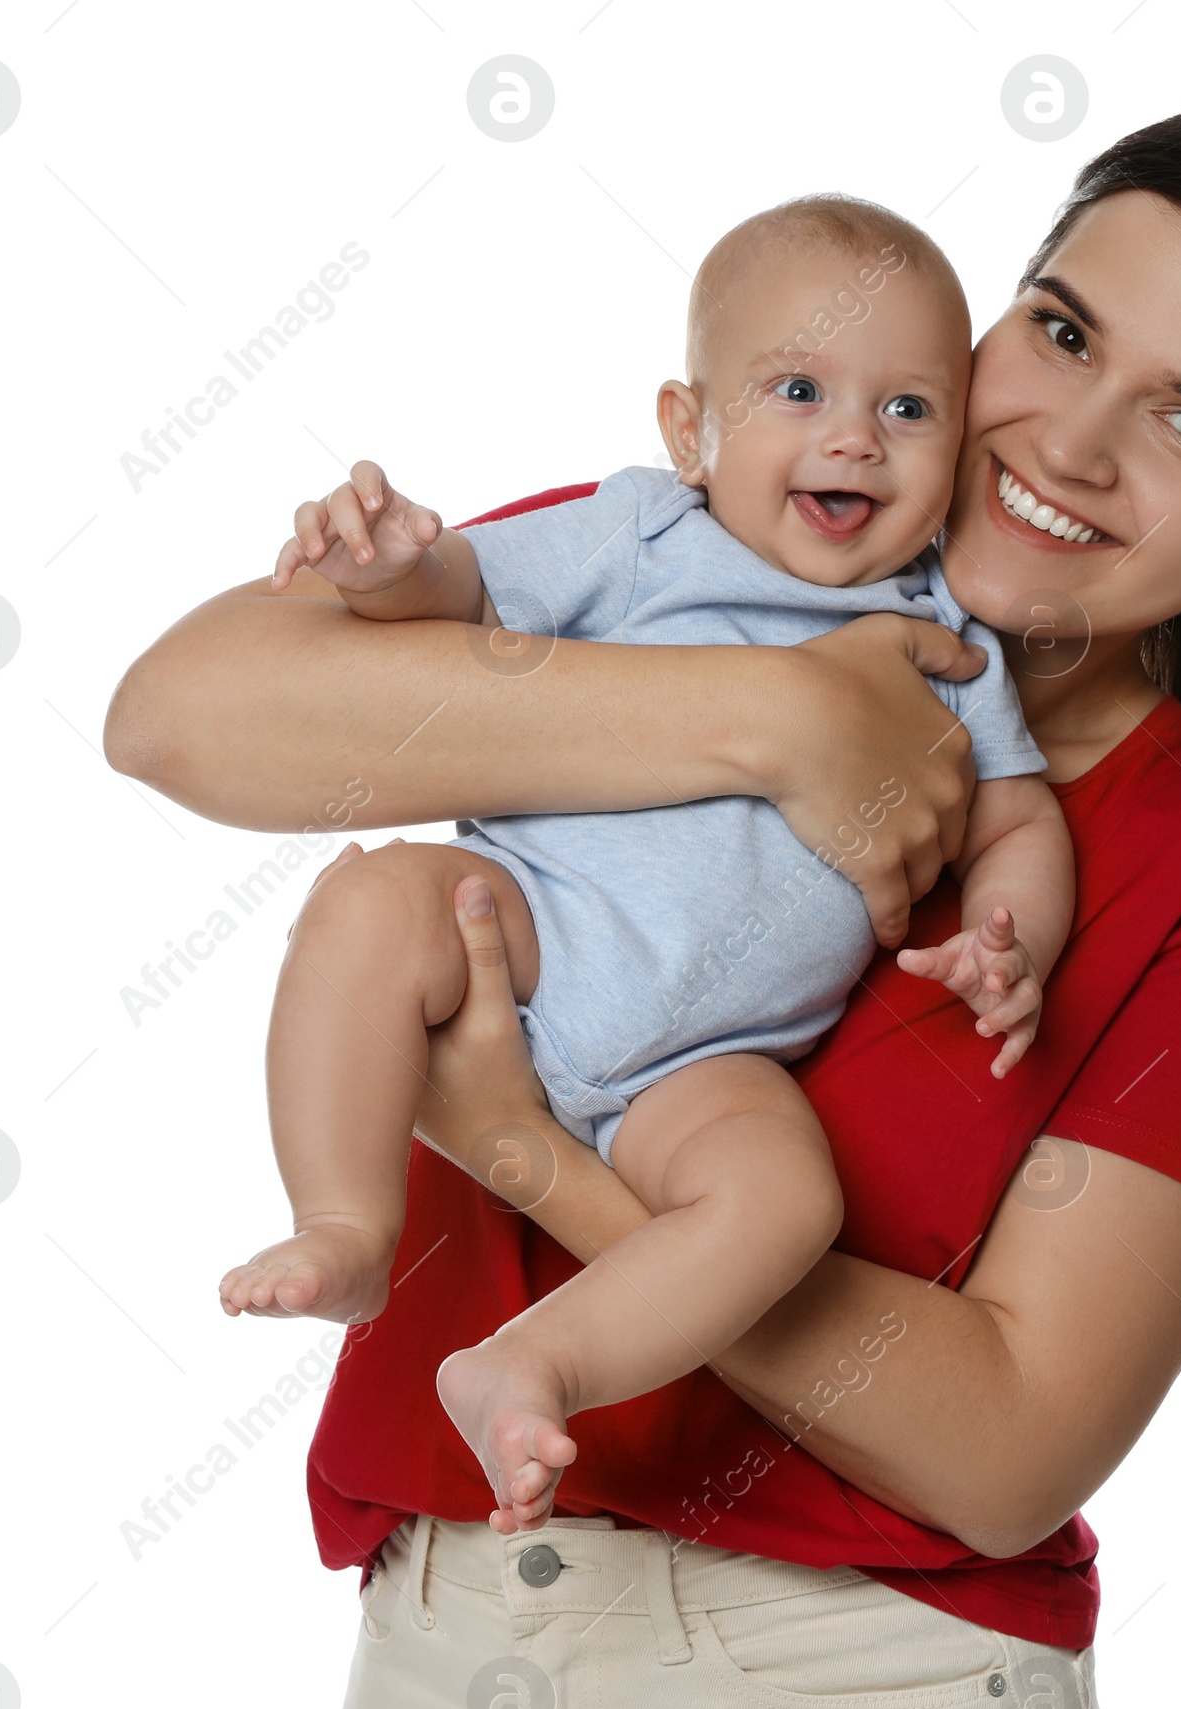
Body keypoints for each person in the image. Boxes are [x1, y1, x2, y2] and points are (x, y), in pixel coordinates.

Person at [106, 91, 1181, 1709]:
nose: (1067, 445)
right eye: (1059, 333)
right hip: (452, 1659)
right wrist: (768, 715)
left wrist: (529, 1148)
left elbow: (1012, 1451)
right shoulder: (682, 552)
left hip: (870, 1698)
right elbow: (179, 722)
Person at [217, 199, 1075, 1537]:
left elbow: (1020, 818)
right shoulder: (640, 536)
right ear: (692, 431)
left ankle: (534, 1363)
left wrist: (1007, 937)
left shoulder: (942, 629)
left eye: (909, 410)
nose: (854, 435)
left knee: (784, 1204)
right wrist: (394, 570)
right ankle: (342, 1221)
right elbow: (463, 604)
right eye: (799, 390)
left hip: (716, 1064)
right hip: (530, 932)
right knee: (374, 899)